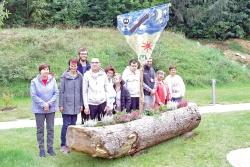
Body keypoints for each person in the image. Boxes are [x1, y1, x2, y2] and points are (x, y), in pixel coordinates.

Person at [30, 64, 58, 157]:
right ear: (40, 71)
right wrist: (43, 104)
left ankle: (50, 149)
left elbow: (56, 93)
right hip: (39, 110)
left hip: (51, 109)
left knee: (50, 129)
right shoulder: (34, 81)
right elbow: (33, 95)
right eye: (43, 69)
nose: (45, 71)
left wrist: (48, 104)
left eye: (47, 69)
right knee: (40, 130)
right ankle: (41, 149)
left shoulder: (53, 80)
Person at [59, 58, 83, 154]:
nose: (73, 67)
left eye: (75, 65)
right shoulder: (64, 76)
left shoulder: (80, 76)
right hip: (66, 104)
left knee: (73, 125)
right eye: (72, 65)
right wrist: (61, 104)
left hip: (76, 105)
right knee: (66, 125)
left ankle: (71, 144)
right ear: (69, 66)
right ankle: (63, 145)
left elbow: (81, 91)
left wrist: (81, 104)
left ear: (77, 66)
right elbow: (61, 91)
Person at [77, 48, 91, 124]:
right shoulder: (75, 65)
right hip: (78, 91)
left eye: (85, 54)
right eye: (82, 53)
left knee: (87, 114)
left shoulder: (90, 66)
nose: (83, 55)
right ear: (79, 55)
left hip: (88, 92)